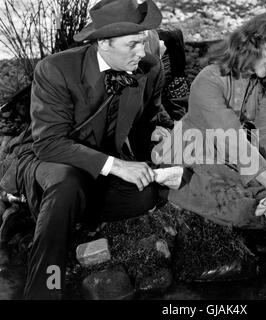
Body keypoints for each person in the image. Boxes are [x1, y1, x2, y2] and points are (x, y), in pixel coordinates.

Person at [152, 11, 266, 299]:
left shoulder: (264, 84)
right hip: (196, 150)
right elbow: (232, 138)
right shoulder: (209, 80)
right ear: (252, 44)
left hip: (235, 154)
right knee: (238, 205)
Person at [14, 0, 173, 299]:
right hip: (49, 157)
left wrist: (158, 139)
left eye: (143, 42)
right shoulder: (55, 69)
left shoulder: (149, 69)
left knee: (145, 194)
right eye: (133, 44)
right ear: (103, 43)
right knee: (66, 185)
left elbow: (142, 127)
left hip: (98, 164)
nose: (143, 52)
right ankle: (45, 289)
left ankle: (57, 212)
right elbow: (49, 143)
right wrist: (118, 166)